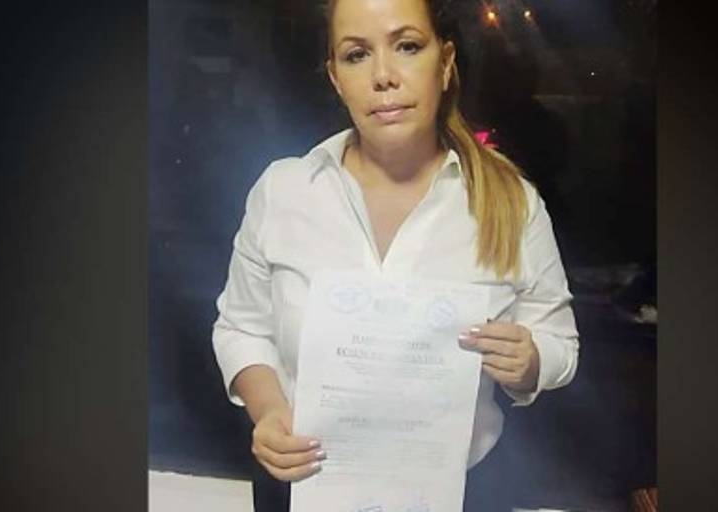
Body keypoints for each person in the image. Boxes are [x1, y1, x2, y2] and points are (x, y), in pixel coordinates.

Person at [211, 1, 580, 510]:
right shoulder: (285, 191)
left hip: (461, 493)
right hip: (305, 486)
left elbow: (560, 342)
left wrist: (531, 361)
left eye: (407, 46)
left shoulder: (512, 203)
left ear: (444, 63)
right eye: (357, 55)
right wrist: (269, 410)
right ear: (336, 77)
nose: (383, 76)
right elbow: (241, 327)